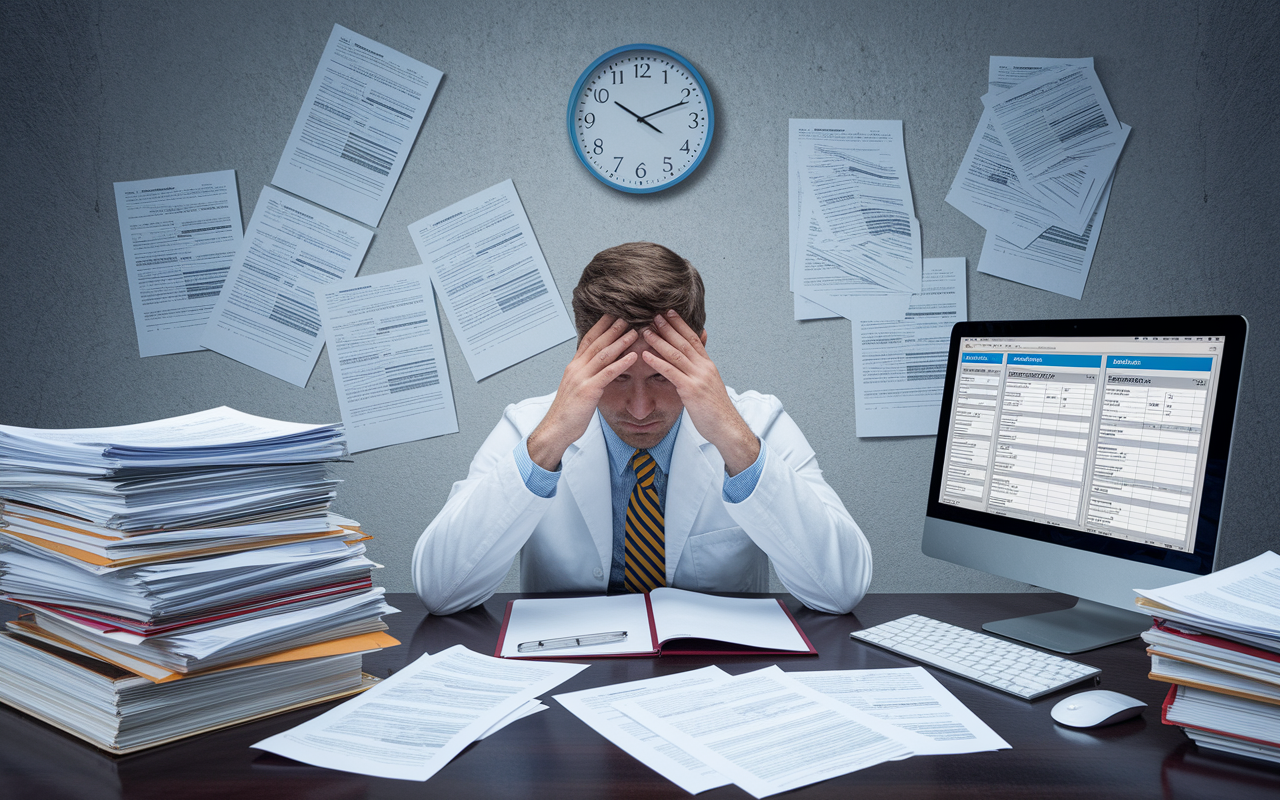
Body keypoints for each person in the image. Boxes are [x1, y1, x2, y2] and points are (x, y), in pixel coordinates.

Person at [412, 242, 871, 615]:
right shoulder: (529, 428)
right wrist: (549, 440)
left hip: (719, 678)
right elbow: (441, 590)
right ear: (583, 358)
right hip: (567, 674)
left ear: (699, 353)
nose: (639, 407)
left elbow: (840, 590)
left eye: (661, 375)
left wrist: (735, 441)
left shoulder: (759, 423)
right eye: (616, 376)